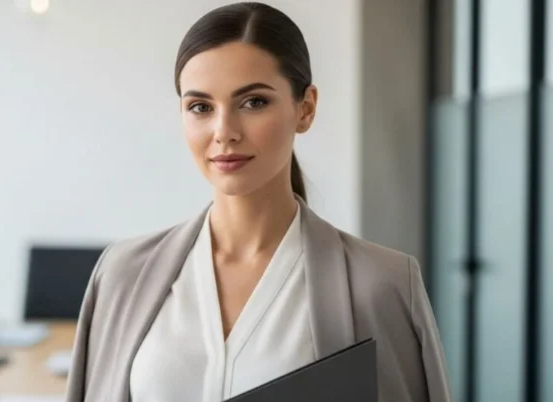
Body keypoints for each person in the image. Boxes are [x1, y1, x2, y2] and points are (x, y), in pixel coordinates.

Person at [66, 2, 451, 402]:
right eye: (200, 107)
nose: (224, 131)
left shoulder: (383, 285)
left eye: (253, 102)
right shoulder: (121, 275)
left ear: (306, 108)